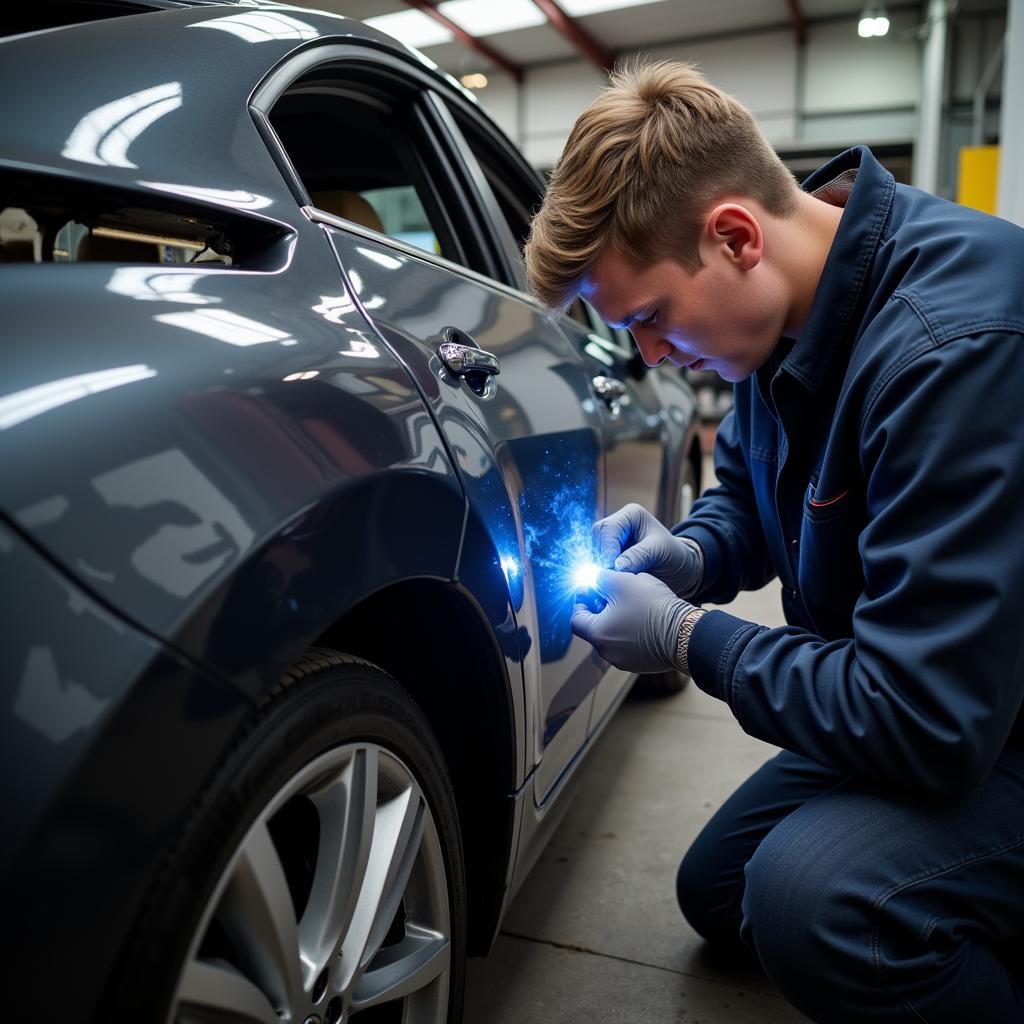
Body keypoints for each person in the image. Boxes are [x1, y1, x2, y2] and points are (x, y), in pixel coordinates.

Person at [524, 60, 1024, 1022]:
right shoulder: (781, 313)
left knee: (816, 903)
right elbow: (752, 503)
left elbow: (928, 721)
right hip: (927, 685)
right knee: (721, 889)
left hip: (987, 720)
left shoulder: (949, 352)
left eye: (651, 319)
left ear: (736, 235)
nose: (652, 357)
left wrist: (685, 640)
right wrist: (691, 555)